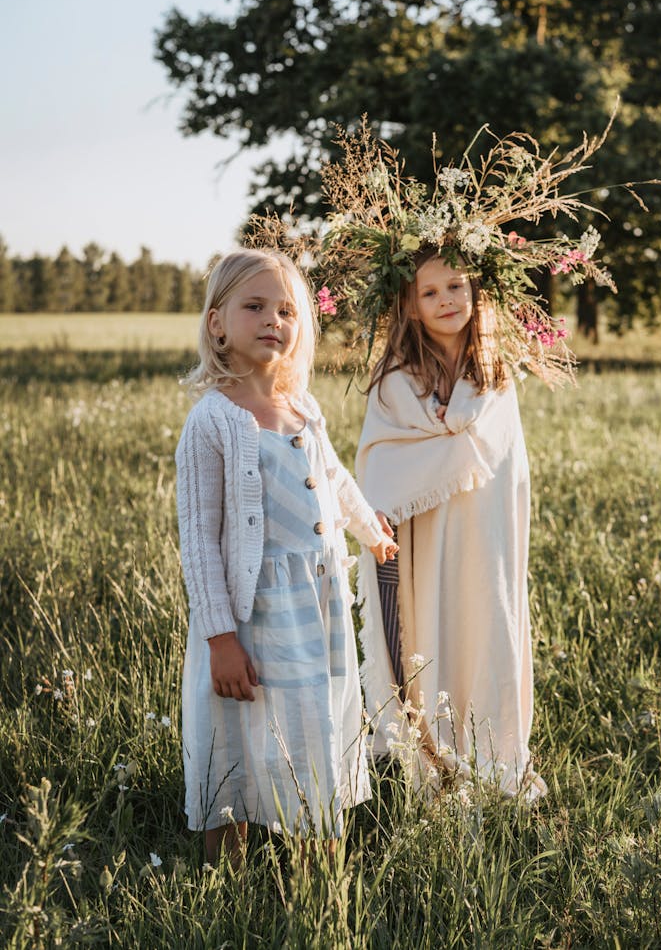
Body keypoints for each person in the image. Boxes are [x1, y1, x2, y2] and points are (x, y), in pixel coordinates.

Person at [175, 247, 397, 865]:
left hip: (314, 602)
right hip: (252, 612)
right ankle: (227, 870)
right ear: (217, 322)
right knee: (236, 734)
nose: (274, 320)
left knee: (312, 724)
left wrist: (368, 527)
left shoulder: (303, 408)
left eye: (287, 310)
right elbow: (198, 540)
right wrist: (220, 636)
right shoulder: (213, 421)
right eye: (255, 307)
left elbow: (335, 477)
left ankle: (317, 865)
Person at [355, 250, 546, 799]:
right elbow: (381, 460)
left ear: (475, 291)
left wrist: (452, 443)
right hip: (424, 537)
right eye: (431, 292)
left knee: (483, 630)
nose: (446, 301)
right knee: (429, 634)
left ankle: (495, 759)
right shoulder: (395, 381)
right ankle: (435, 764)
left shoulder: (493, 374)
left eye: (456, 287)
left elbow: (504, 462)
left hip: (483, 538)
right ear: (410, 307)